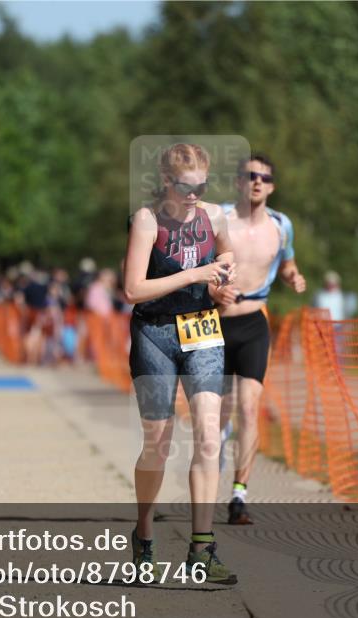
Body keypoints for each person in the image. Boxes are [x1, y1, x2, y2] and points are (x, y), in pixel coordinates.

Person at [123, 143, 237, 585]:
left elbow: (227, 256)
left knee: (210, 436)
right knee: (159, 443)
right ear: (167, 181)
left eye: (202, 186)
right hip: (154, 333)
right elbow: (133, 289)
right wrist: (194, 274)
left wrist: (223, 276)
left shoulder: (215, 216)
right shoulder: (147, 220)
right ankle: (145, 536)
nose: (194, 195)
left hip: (203, 330)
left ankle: (202, 548)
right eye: (186, 187)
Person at [210, 153, 306, 525]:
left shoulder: (282, 225)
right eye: (250, 176)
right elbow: (193, 264)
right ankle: (208, 476)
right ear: (238, 181)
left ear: (272, 186)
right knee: (215, 414)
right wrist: (214, 292)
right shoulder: (218, 218)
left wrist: (293, 278)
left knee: (249, 407)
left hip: (252, 323)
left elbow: (287, 262)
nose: (256, 183)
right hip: (215, 323)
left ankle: (239, 495)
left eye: (263, 178)